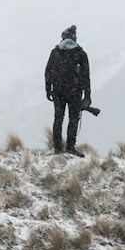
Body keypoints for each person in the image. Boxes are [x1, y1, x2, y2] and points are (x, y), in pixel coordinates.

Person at [44, 24, 91, 154]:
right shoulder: (81, 54)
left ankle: (57, 148)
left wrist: (48, 90)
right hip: (75, 93)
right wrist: (87, 96)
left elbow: (48, 72)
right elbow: (86, 76)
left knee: (58, 118)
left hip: (58, 92)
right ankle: (70, 147)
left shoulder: (55, 52)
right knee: (73, 119)